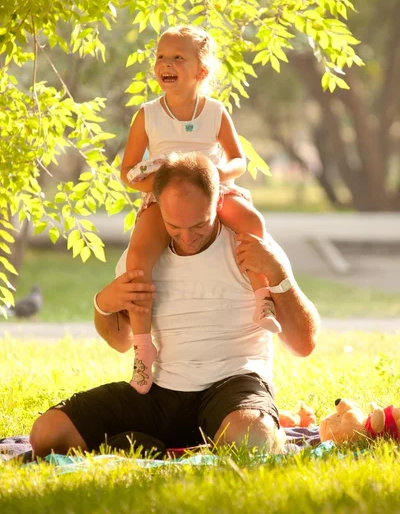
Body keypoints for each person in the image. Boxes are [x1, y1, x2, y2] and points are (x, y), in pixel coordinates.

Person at [29, 152, 320, 458]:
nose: (186, 238)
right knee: (47, 434)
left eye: (198, 226)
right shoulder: (144, 254)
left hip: (234, 387)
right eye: (174, 226)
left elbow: (304, 344)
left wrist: (280, 274)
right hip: (160, 392)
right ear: (155, 207)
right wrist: (102, 305)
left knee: (252, 440)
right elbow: (120, 341)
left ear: (218, 201)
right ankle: (152, 444)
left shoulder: (251, 244)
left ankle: (145, 447)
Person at [120, 25, 280, 394]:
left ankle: (262, 299)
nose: (166, 63)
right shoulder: (147, 115)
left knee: (250, 221)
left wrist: (218, 174)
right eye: (161, 56)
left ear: (201, 72)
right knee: (137, 259)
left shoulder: (215, 112)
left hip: (213, 193)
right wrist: (154, 182)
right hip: (165, 199)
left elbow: (238, 159)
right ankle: (143, 346)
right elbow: (128, 172)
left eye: (178, 57)